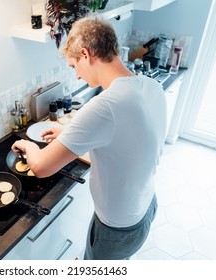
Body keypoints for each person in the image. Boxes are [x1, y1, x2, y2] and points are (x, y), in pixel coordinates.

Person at [11, 16, 167, 260]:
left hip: (116, 228)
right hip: (145, 208)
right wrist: (68, 136)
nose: (77, 77)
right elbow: (129, 146)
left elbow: (41, 167)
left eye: (74, 66)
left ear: (85, 54)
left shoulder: (105, 106)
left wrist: (27, 144)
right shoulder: (150, 86)